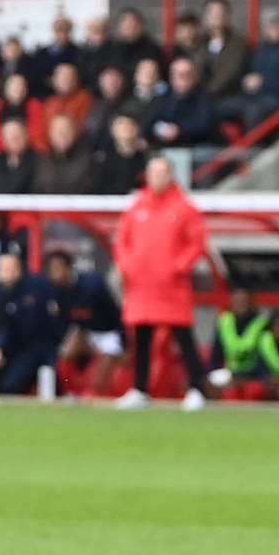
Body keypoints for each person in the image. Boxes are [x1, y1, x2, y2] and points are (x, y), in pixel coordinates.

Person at [112, 157, 209, 410]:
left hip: (171, 286)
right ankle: (140, 388)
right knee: (142, 338)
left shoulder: (184, 208)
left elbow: (197, 242)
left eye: (162, 173)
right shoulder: (136, 207)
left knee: (183, 336)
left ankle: (197, 388)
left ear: (171, 175)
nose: (157, 178)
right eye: (153, 173)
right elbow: (122, 241)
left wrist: (178, 266)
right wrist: (128, 266)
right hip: (142, 287)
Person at [46, 249, 123, 396]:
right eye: (51, 270)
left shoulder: (92, 285)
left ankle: (94, 395)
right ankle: (70, 391)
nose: (54, 273)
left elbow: (114, 313)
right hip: (85, 331)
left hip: (108, 332)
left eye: (57, 268)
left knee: (102, 371)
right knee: (64, 356)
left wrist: (123, 341)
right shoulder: (56, 291)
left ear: (68, 267)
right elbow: (66, 319)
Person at [0, 252, 62, 395]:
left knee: (54, 384)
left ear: (19, 268)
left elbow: (53, 316)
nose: (5, 273)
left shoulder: (38, 286)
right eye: (2, 269)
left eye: (9, 268)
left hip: (44, 344)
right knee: (9, 386)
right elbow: (3, 324)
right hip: (18, 347)